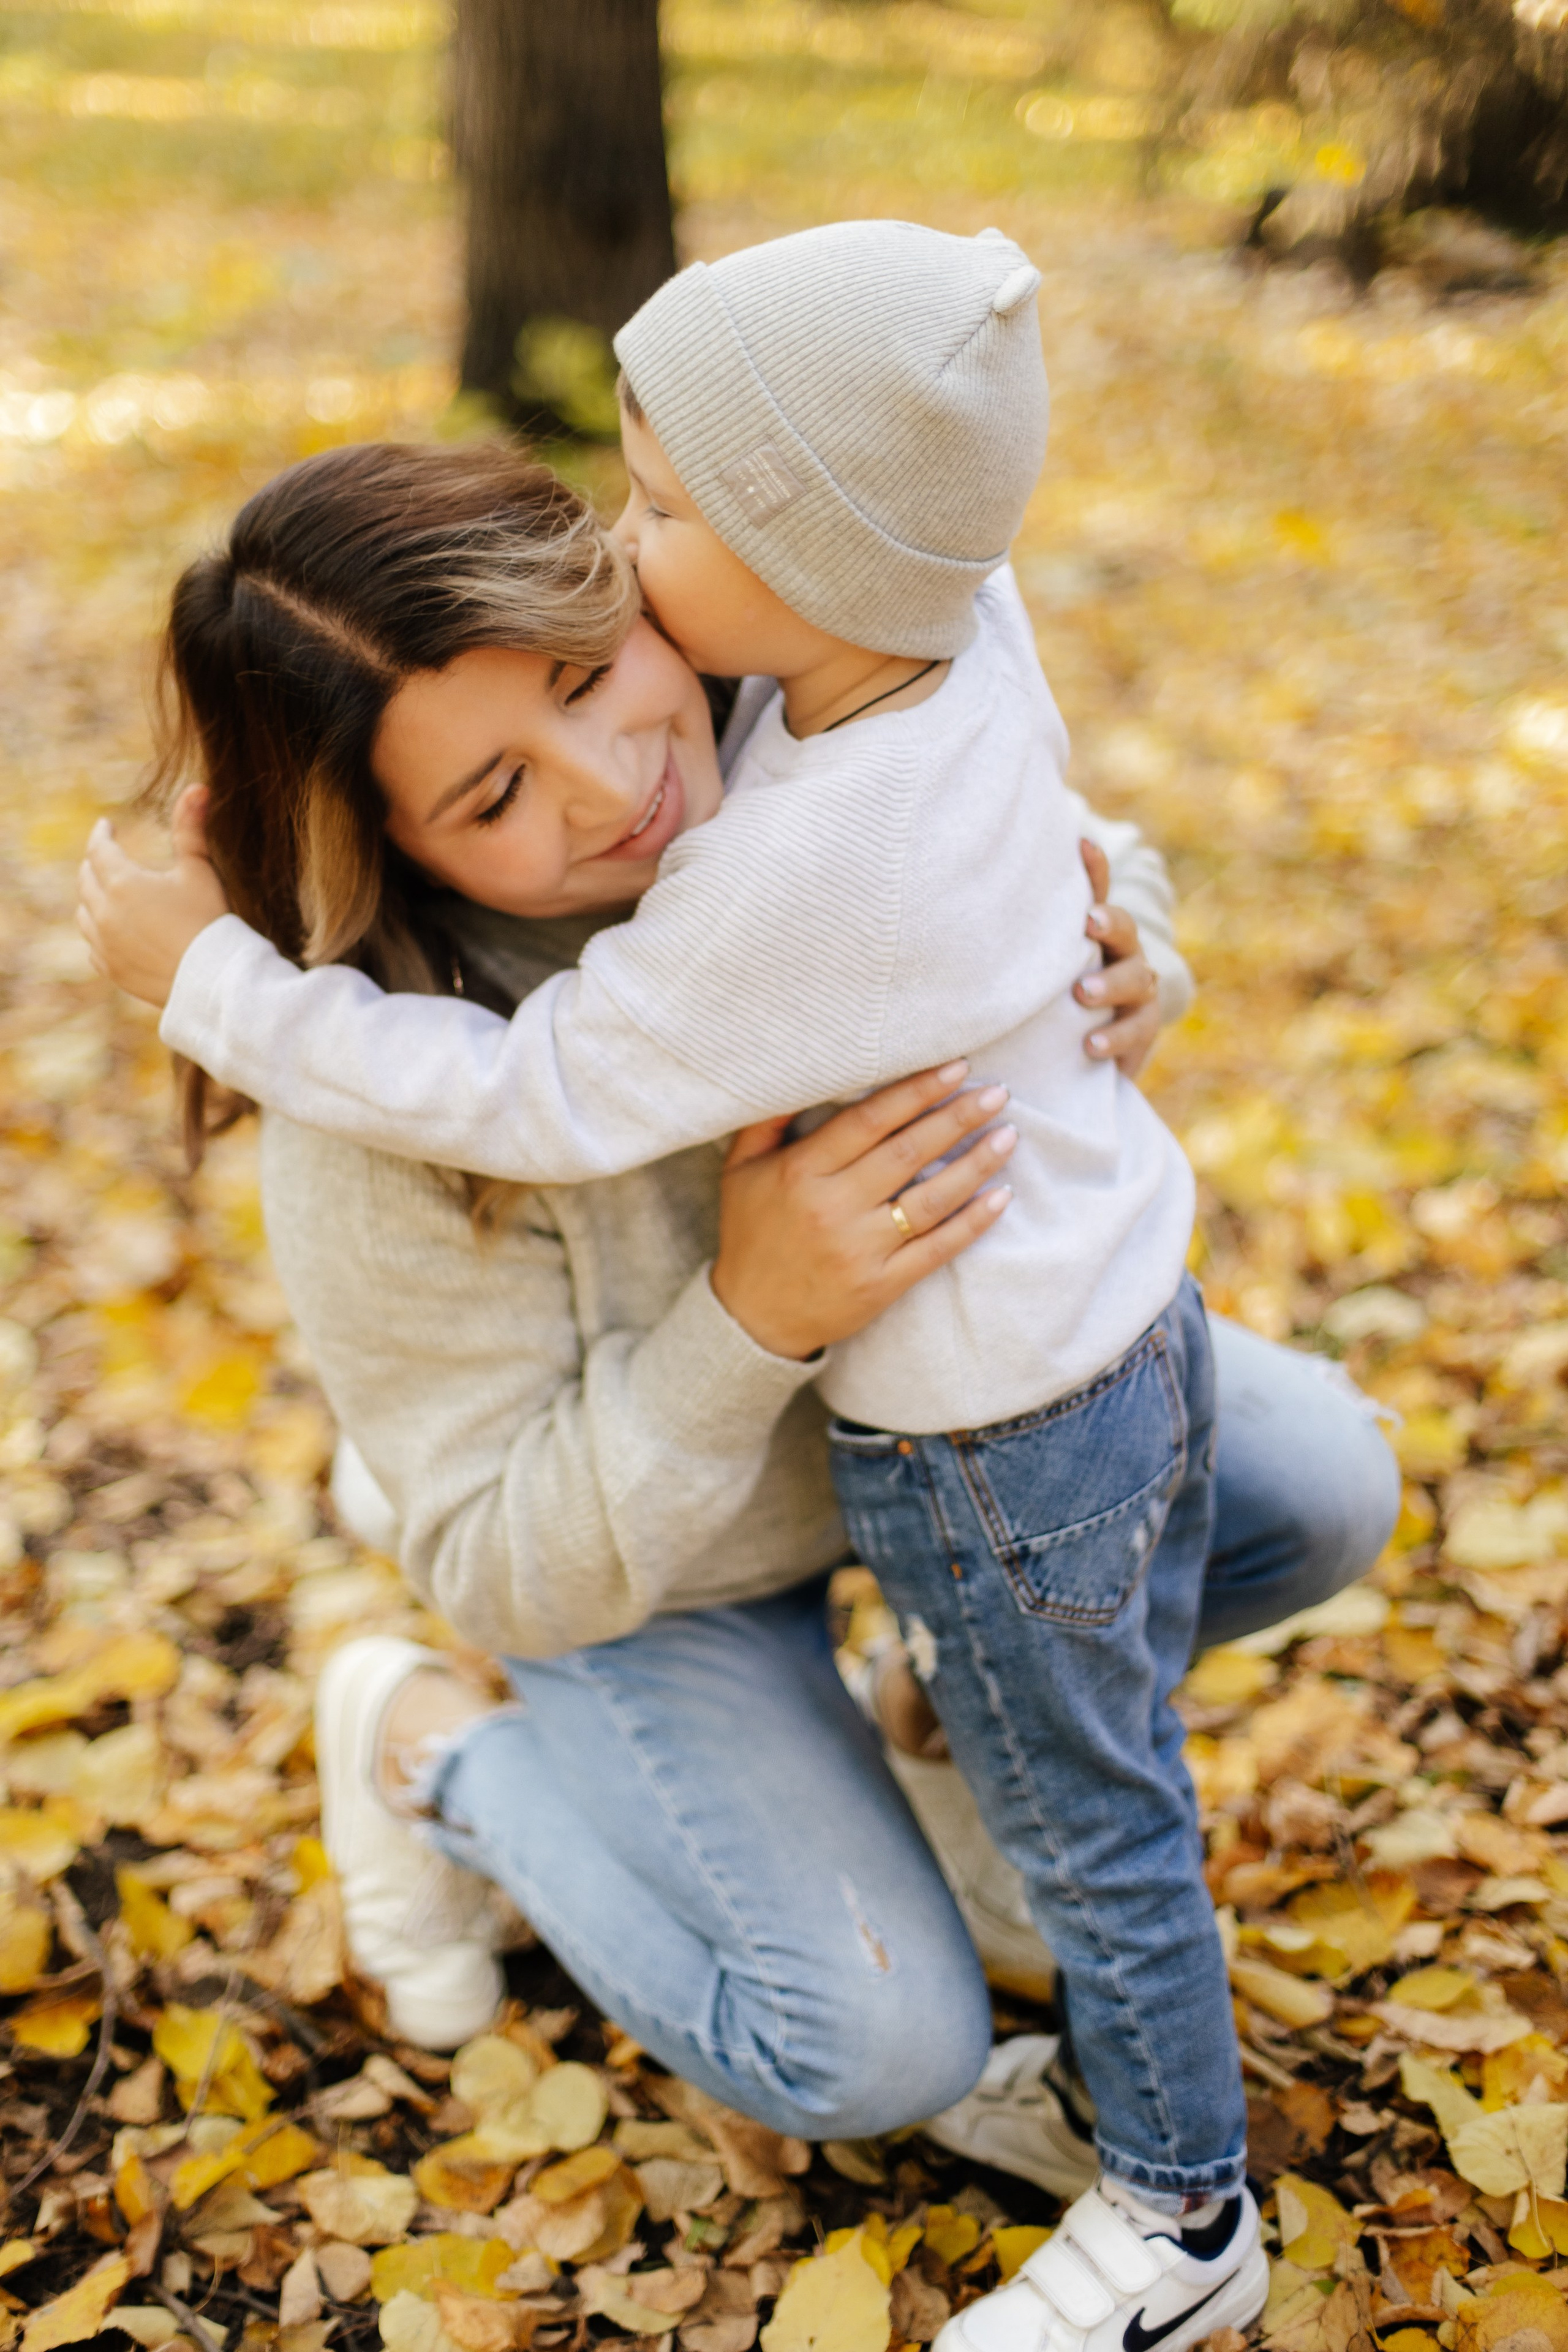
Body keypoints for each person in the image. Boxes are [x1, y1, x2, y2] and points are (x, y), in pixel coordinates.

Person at [77, 259, 1395, 2344]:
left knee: (1322, 1478)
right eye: (495, 797)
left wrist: (1125, 934)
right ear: (389, 843)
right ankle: (422, 1757)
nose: (613, 787)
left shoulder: (777, 664)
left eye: (592, 675)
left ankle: (931, 1715)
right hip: (638, 1569)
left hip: (944, 1454)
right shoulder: (379, 1101)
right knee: (869, 2049)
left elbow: (1014, 805)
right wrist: (749, 1319)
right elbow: (501, 1554)